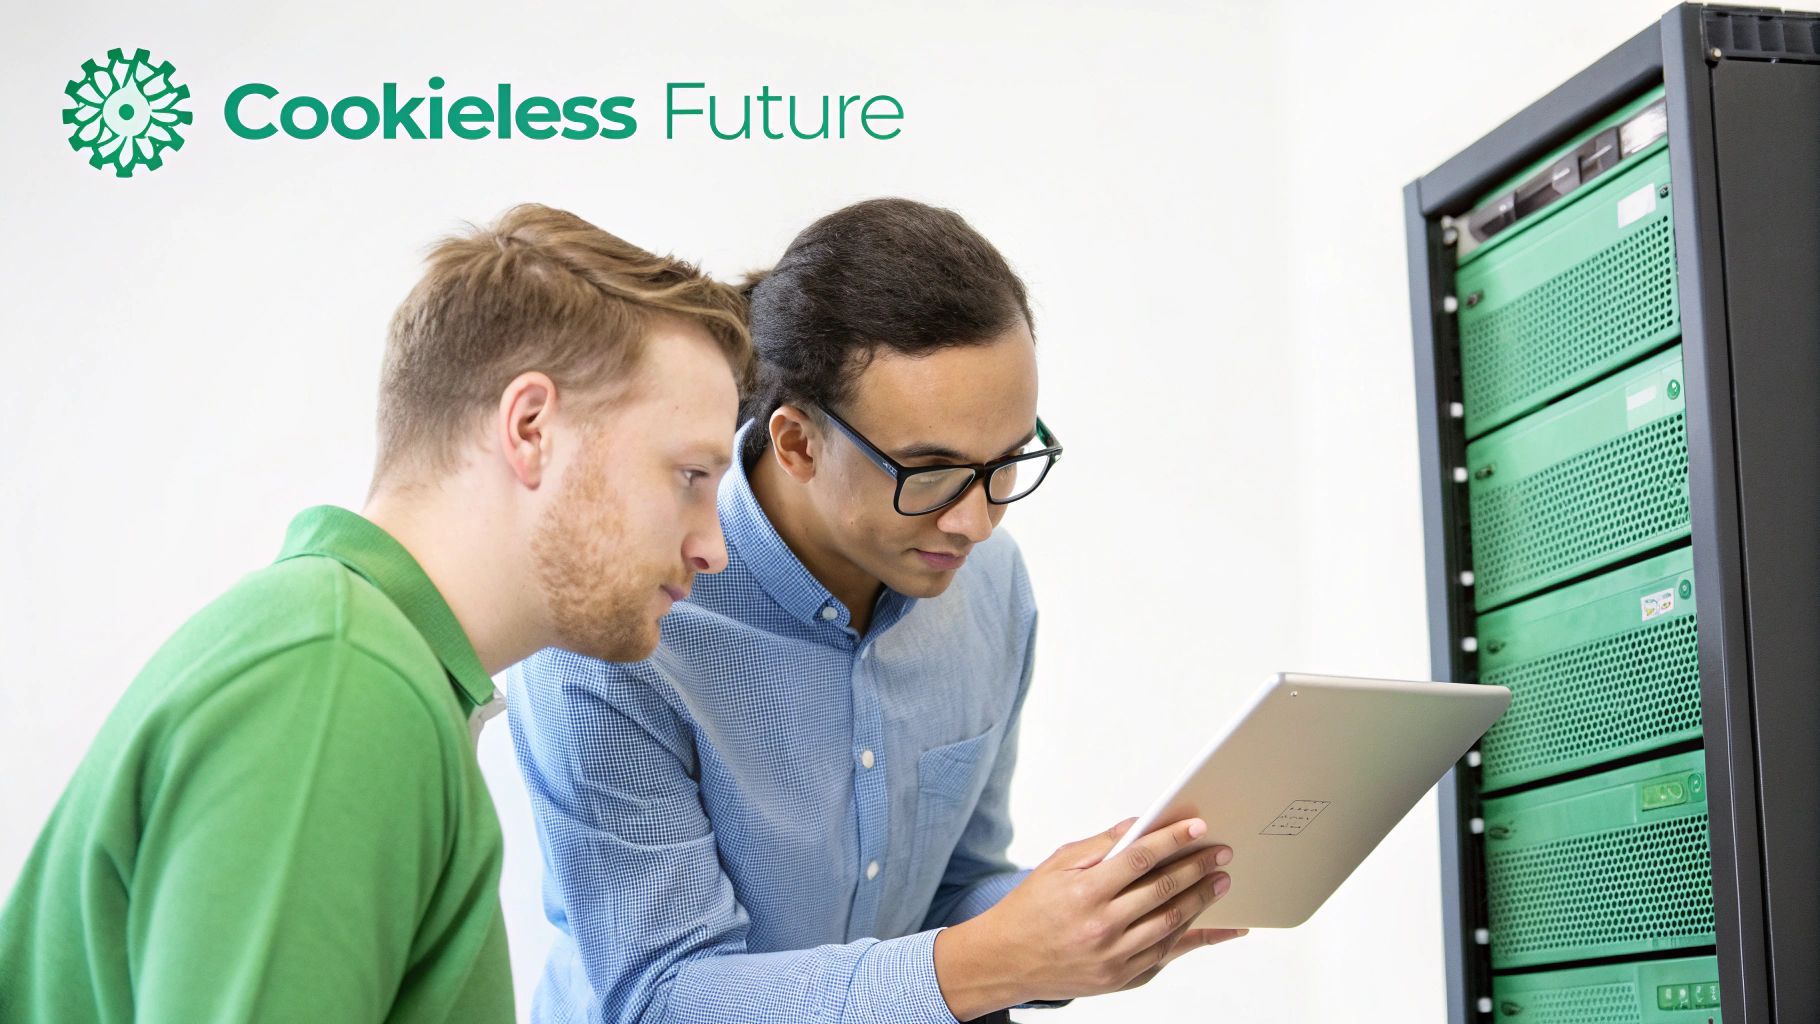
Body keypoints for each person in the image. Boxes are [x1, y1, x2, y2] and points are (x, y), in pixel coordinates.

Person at [0, 204, 750, 1024]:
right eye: (689, 477)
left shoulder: (348, 656)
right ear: (531, 428)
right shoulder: (335, 687)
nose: (712, 547)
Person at [509, 197, 1244, 1024]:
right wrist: (999, 957)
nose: (975, 521)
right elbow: (661, 998)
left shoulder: (991, 587)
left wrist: (1090, 922)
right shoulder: (612, 630)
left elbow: (953, 889)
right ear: (796, 442)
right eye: (929, 472)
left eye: (1007, 462)